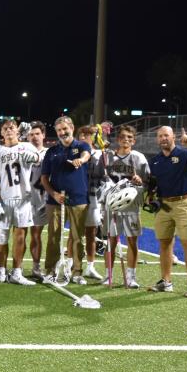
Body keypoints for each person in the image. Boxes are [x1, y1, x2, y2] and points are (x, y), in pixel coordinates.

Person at [148, 126, 187, 298]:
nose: (163, 138)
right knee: (164, 243)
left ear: (173, 137)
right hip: (163, 205)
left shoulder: (184, 153)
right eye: (160, 136)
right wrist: (150, 197)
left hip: (183, 202)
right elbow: (152, 183)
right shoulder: (155, 161)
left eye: (166, 135)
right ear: (157, 139)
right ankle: (166, 282)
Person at [0, 119, 40, 286]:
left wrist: (34, 156)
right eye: (6, 128)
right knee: (1, 237)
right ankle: (0, 271)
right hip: (4, 198)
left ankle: (17, 272)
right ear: (1, 133)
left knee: (20, 236)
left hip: (24, 199)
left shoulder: (27, 146)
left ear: (17, 131)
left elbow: (37, 158)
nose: (9, 130)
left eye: (12, 128)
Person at [41, 116, 93, 285]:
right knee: (53, 237)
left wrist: (81, 160)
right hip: (55, 200)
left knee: (78, 237)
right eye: (59, 130)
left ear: (72, 127)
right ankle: (50, 270)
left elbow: (87, 155)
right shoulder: (51, 151)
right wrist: (54, 194)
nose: (62, 133)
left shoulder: (81, 145)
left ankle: (77, 272)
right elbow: (44, 179)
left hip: (78, 199)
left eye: (65, 129)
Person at [103, 125, 150, 288]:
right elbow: (102, 180)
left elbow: (149, 182)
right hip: (112, 205)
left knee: (132, 241)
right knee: (111, 241)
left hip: (131, 206)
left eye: (130, 137)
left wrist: (140, 182)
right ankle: (107, 274)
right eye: (123, 136)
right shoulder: (108, 157)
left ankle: (131, 276)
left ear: (134, 140)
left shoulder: (139, 158)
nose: (126, 139)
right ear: (118, 139)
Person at [76, 125, 105, 282]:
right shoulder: (73, 152)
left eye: (88, 134)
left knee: (91, 233)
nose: (83, 137)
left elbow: (104, 177)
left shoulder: (101, 154)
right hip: (76, 197)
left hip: (93, 197)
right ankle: (71, 265)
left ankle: (90, 267)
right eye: (82, 134)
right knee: (75, 233)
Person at [23, 122, 49, 280]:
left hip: (41, 199)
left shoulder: (50, 153)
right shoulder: (21, 151)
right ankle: (17, 268)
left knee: (36, 235)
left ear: (43, 135)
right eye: (31, 134)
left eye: (37, 133)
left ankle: (36, 267)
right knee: (20, 234)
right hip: (23, 199)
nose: (34, 137)